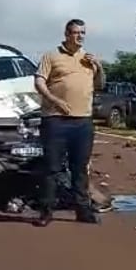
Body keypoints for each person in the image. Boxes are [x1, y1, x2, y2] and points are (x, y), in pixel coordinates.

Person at [33, 18, 105, 227]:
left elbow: (100, 84)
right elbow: (39, 81)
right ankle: (46, 211)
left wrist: (98, 66)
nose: (80, 36)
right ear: (66, 34)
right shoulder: (52, 56)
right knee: (52, 168)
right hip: (56, 120)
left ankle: (82, 210)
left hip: (82, 120)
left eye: (83, 33)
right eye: (75, 32)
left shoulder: (87, 59)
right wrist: (55, 100)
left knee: (80, 168)